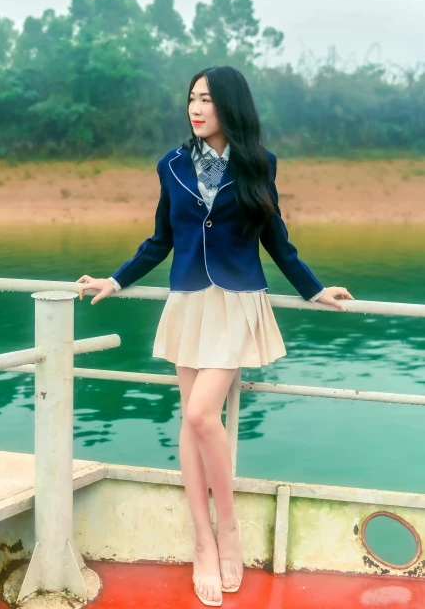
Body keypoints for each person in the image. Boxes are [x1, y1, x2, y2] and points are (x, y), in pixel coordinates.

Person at [77, 65, 354, 606]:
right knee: (191, 418)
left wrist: (313, 289)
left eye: (206, 99)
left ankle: (229, 528)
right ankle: (203, 541)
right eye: (190, 99)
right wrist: (115, 279)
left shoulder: (258, 164)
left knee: (202, 415)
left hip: (235, 303)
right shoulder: (172, 165)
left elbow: (277, 238)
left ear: (230, 106)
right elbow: (160, 239)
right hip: (188, 302)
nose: (195, 108)